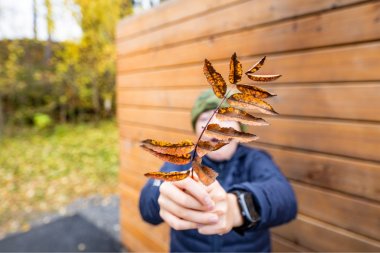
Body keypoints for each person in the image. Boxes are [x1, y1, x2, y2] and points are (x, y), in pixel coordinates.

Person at [139, 89, 297, 252]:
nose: (215, 124)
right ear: (196, 131)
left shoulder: (255, 160)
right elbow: (146, 207)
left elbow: (285, 198)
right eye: (205, 118)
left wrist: (238, 207)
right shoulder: (183, 160)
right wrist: (163, 196)